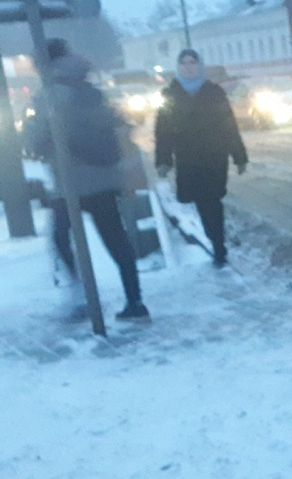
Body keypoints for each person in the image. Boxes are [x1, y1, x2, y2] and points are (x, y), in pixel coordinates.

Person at [26, 39, 149, 321]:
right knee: (116, 239)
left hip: (70, 182)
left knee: (60, 237)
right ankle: (135, 302)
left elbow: (36, 140)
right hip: (104, 178)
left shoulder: (49, 94)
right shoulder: (90, 88)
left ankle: (80, 296)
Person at [153, 48, 248, 267]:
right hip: (188, 159)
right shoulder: (170, 95)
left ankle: (218, 245)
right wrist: (163, 160)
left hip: (214, 157)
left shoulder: (214, 93)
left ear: (199, 65)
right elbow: (163, 131)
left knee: (212, 202)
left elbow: (229, 125)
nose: (189, 67)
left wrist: (239, 155)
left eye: (192, 62)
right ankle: (215, 241)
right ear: (178, 67)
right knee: (202, 203)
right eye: (184, 63)